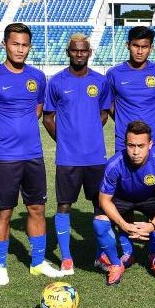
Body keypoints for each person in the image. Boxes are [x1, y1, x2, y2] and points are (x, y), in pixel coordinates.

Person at [0, 22, 61, 284]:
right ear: (5, 44)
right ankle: (0, 265)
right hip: (4, 157)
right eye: (15, 44)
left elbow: (38, 108)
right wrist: (0, 133)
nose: (20, 49)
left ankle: (37, 262)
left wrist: (22, 127)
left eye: (25, 45)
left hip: (33, 154)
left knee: (37, 208)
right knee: (4, 211)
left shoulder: (37, 77)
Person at [42, 33, 112, 276]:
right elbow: (48, 117)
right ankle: (67, 258)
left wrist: (90, 132)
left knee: (101, 205)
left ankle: (100, 254)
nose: (79, 54)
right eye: (74, 50)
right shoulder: (57, 82)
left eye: (83, 50)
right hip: (68, 158)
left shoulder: (101, 82)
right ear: (68, 52)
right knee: (64, 205)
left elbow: (104, 112)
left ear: (89, 52)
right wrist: (64, 139)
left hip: (95, 157)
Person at [106, 25, 155, 265]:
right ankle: (128, 247)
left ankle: (153, 246)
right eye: (135, 46)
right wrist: (125, 127)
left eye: (144, 47)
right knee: (124, 199)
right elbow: (109, 105)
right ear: (128, 45)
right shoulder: (114, 74)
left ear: (151, 48)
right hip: (125, 146)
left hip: (154, 147)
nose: (139, 51)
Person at [95, 121, 155, 286]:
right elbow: (104, 200)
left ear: (150, 144)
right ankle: (115, 264)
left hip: (150, 198)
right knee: (100, 224)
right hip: (121, 199)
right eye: (131, 145)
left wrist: (153, 224)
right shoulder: (114, 164)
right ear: (125, 144)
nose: (135, 151)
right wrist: (122, 223)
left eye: (141, 146)